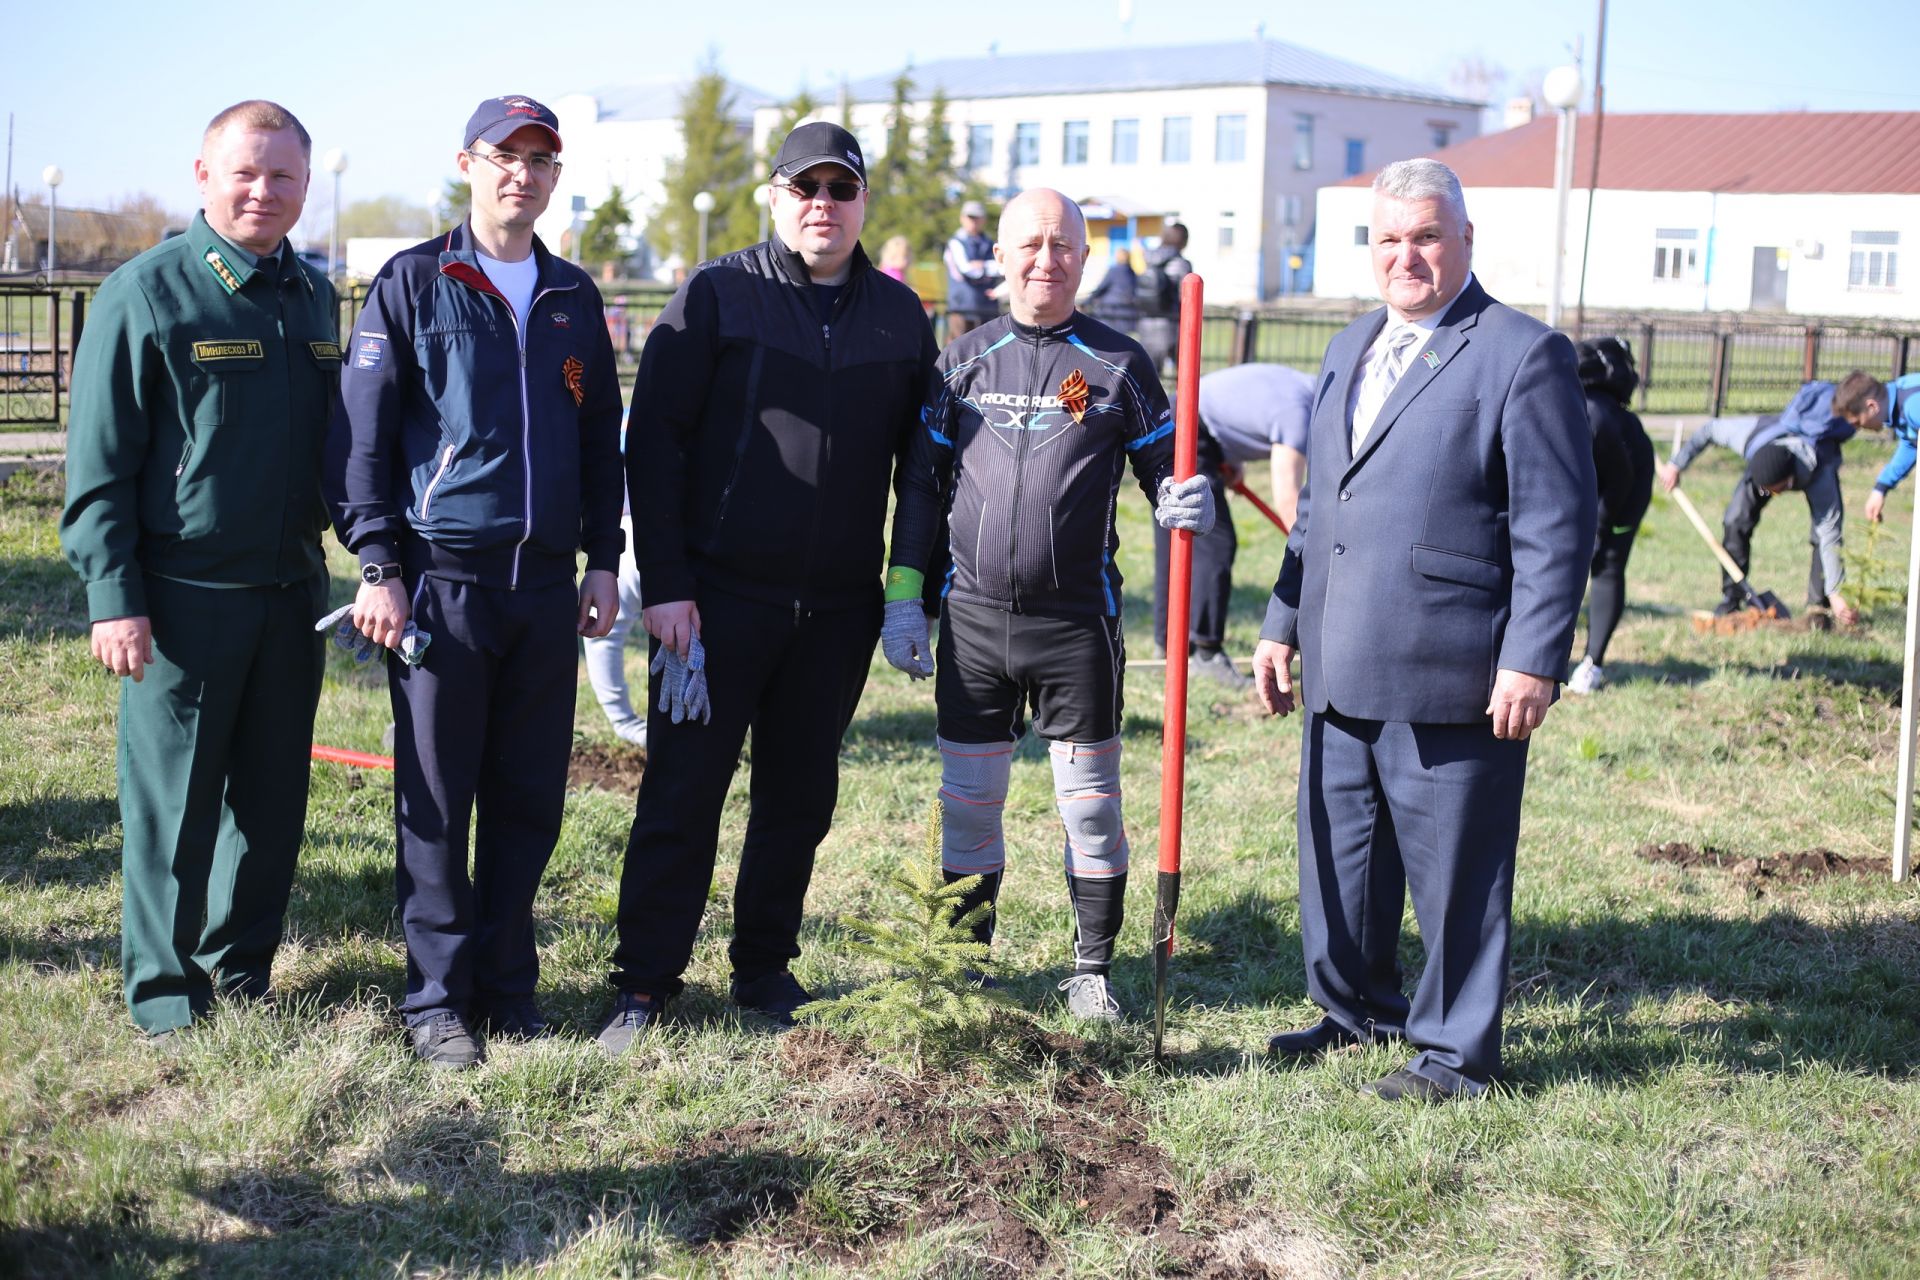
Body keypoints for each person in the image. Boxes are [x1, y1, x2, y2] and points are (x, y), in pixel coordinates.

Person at [1251, 159, 1594, 1101]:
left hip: (1455, 665)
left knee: (1456, 877)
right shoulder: (1348, 346)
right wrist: (1282, 623)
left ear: (1466, 242)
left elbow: (1557, 525)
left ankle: (1455, 1055)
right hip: (1337, 653)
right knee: (1341, 856)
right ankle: (1353, 1009)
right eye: (1389, 240)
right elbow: (1321, 504)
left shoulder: (1522, 354)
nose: (1407, 256)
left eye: (1427, 236)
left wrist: (1534, 659)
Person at [596, 122, 938, 1052]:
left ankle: (762, 969)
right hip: (712, 604)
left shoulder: (900, 319)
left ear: (864, 200)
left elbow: (924, 470)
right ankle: (645, 983)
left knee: (799, 799)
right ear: (775, 198)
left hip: (835, 614)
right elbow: (652, 442)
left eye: (841, 187)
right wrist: (665, 584)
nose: (822, 204)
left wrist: (907, 593)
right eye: (804, 187)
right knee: (683, 793)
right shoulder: (716, 297)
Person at [336, 95, 625, 1068]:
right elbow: (364, 442)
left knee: (528, 799)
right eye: (506, 155)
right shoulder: (415, 282)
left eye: (542, 159)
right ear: (468, 162)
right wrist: (378, 565)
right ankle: (434, 1001)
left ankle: (509, 989)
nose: (523, 174)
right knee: (436, 804)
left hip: (545, 593)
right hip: (440, 592)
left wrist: (603, 560)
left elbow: (598, 447)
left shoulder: (575, 297)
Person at [882, 188, 1216, 1022]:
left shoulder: (1118, 364)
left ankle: (1090, 970)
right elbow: (920, 489)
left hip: (1076, 629)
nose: (1046, 259)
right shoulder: (961, 361)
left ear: (1085, 256)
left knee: (1093, 814)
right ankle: (962, 969)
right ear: (999, 255)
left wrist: (1184, 498)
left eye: (1063, 245)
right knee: (967, 809)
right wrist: (902, 598)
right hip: (972, 625)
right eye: (1029, 244)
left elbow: (1160, 471)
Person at [60, 100, 339, 1041]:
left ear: (307, 185)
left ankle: (241, 967)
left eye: (285, 176)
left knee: (270, 803)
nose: (265, 191)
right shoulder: (146, 295)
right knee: (175, 810)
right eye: (246, 172)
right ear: (204, 176)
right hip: (183, 603)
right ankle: (165, 990)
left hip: (293, 595)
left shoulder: (314, 296)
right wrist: (114, 598)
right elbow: (96, 470)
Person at [1655, 374, 1874, 624]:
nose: (1770, 495)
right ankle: (1732, 597)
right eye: (1766, 490)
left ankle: (1819, 606)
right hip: (1765, 454)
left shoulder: (1819, 472)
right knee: (1735, 520)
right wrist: (1675, 465)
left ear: (1789, 480)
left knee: (1820, 535)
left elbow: (1830, 536)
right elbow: (1709, 429)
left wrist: (1835, 592)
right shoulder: (1749, 437)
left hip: (1812, 464)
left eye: (1775, 490)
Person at [1151, 362, 1316, 689]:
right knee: (1213, 541)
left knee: (1177, 538)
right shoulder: (1299, 414)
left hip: (1180, 418)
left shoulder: (1303, 387)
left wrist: (1231, 457)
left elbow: (1241, 406)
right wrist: (1314, 549)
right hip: (1186, 426)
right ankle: (1206, 652)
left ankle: (1169, 643)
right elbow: (1288, 499)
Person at [1567, 337, 1654, 695]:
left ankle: (1592, 665)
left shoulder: (1597, 416)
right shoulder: (1573, 404)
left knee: (1607, 565)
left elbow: (1620, 479)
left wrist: (1600, 529)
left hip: (1624, 494)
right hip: (1589, 493)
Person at [581, 495, 647, 747]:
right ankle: (625, 722)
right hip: (627, 523)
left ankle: (624, 721)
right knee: (604, 626)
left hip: (631, 523)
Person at [1838, 370, 1920, 524]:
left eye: (1857, 422)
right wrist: (1881, 488)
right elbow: (1912, 444)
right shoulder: (1901, 402)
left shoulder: (1913, 405)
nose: (1858, 428)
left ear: (1871, 407)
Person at [1136, 222, 1191, 378]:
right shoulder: (1181, 264)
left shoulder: (1148, 259)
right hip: (1171, 323)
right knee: (1183, 376)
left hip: (1146, 322)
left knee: (1149, 376)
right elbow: (1186, 296)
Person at [944, 199, 1000, 341]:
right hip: (961, 307)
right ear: (962, 218)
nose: (974, 221)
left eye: (977, 217)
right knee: (958, 352)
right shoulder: (955, 242)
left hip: (986, 308)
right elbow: (967, 270)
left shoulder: (989, 242)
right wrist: (988, 266)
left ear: (984, 219)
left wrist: (981, 265)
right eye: (970, 217)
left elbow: (1001, 268)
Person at [1084, 245, 1139, 333]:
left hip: (1112, 311)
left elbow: (1101, 288)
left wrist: (1087, 302)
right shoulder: (1131, 272)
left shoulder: (1114, 270)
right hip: (1127, 312)